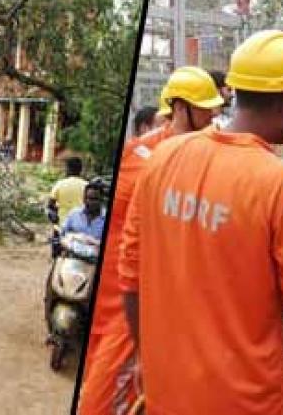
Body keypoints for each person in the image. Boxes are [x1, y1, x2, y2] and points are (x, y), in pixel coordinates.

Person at [118, 30, 283, 414]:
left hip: (166, 389)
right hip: (242, 400)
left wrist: (143, 356)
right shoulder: (278, 181)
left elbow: (130, 276)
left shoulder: (164, 157)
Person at [76, 66, 224, 414]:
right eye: (207, 106)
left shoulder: (155, 151)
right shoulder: (151, 157)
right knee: (105, 392)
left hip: (147, 294)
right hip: (132, 297)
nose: (215, 112)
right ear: (183, 107)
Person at [47, 157, 87, 225]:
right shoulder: (87, 186)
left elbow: (50, 205)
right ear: (80, 170)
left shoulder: (59, 184)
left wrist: (55, 212)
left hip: (62, 223)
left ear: (67, 169)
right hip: (81, 225)